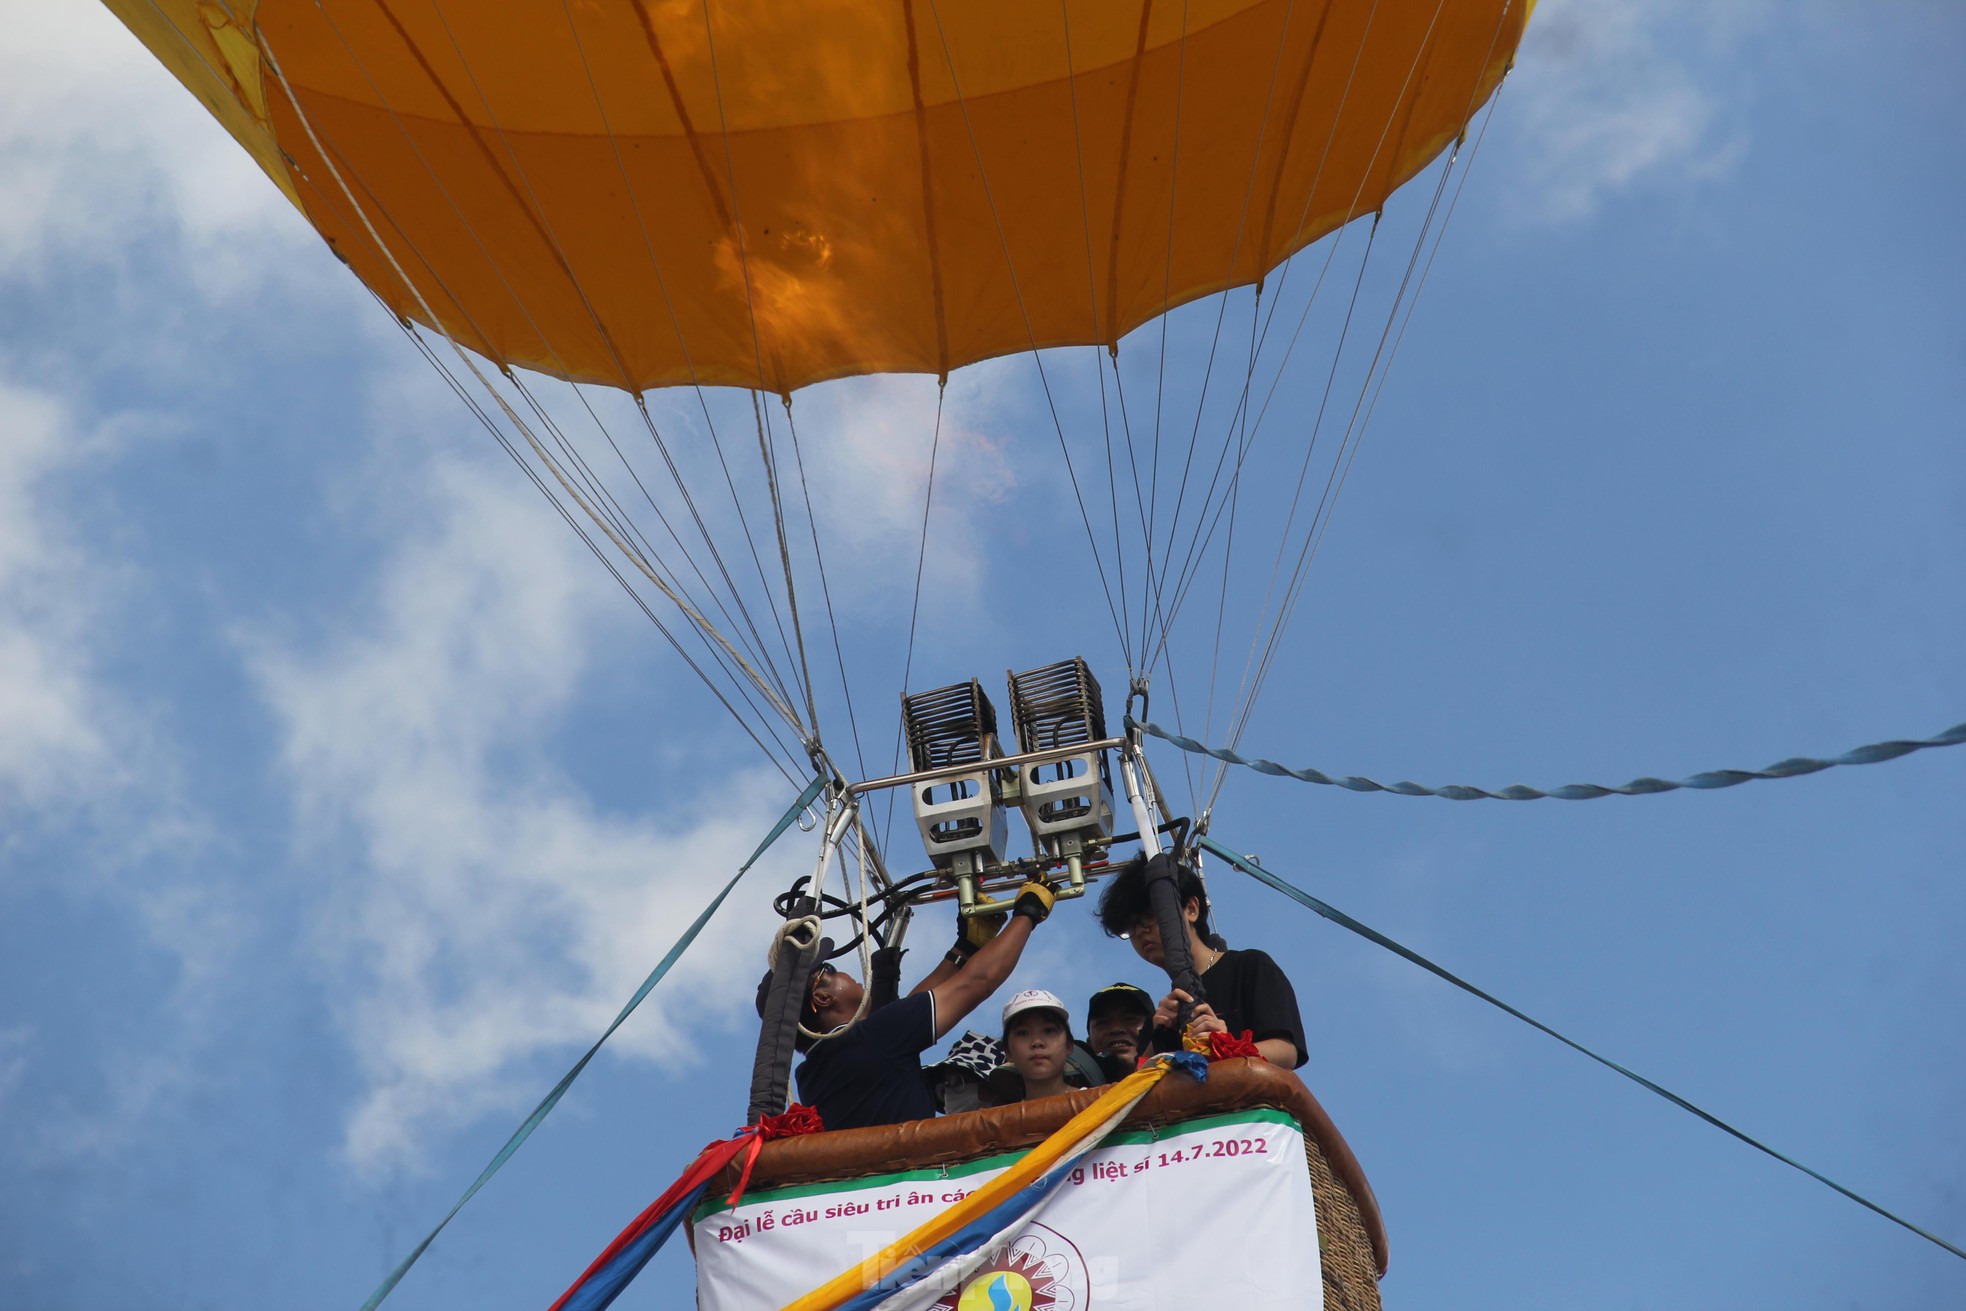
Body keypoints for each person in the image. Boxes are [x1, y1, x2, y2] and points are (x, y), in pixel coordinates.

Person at [774, 878, 1059, 1131]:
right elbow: (978, 981)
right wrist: (1028, 913)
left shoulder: (814, 1071)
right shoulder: (875, 1040)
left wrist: (966, 948)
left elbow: (908, 1013)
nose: (844, 973)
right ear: (823, 999)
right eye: (832, 970)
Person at [1096, 854, 1307, 1069]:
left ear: (1191, 909)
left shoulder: (1249, 967)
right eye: (1131, 926)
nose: (1140, 931)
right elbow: (1141, 1083)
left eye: (1149, 916)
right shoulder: (1162, 1016)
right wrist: (1157, 1037)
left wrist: (1227, 1046)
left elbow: (1286, 1052)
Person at [998, 989, 1076, 1102]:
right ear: (1008, 1051)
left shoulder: (1099, 1104)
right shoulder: (1003, 1118)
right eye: (1023, 1033)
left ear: (1069, 1045)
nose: (1037, 1042)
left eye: (1049, 1030)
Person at [1081, 981, 1155, 1082]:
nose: (1116, 1029)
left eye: (1130, 1019)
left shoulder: (1180, 1079)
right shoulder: (1071, 1092)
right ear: (1089, 1043)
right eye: (1102, 1023)